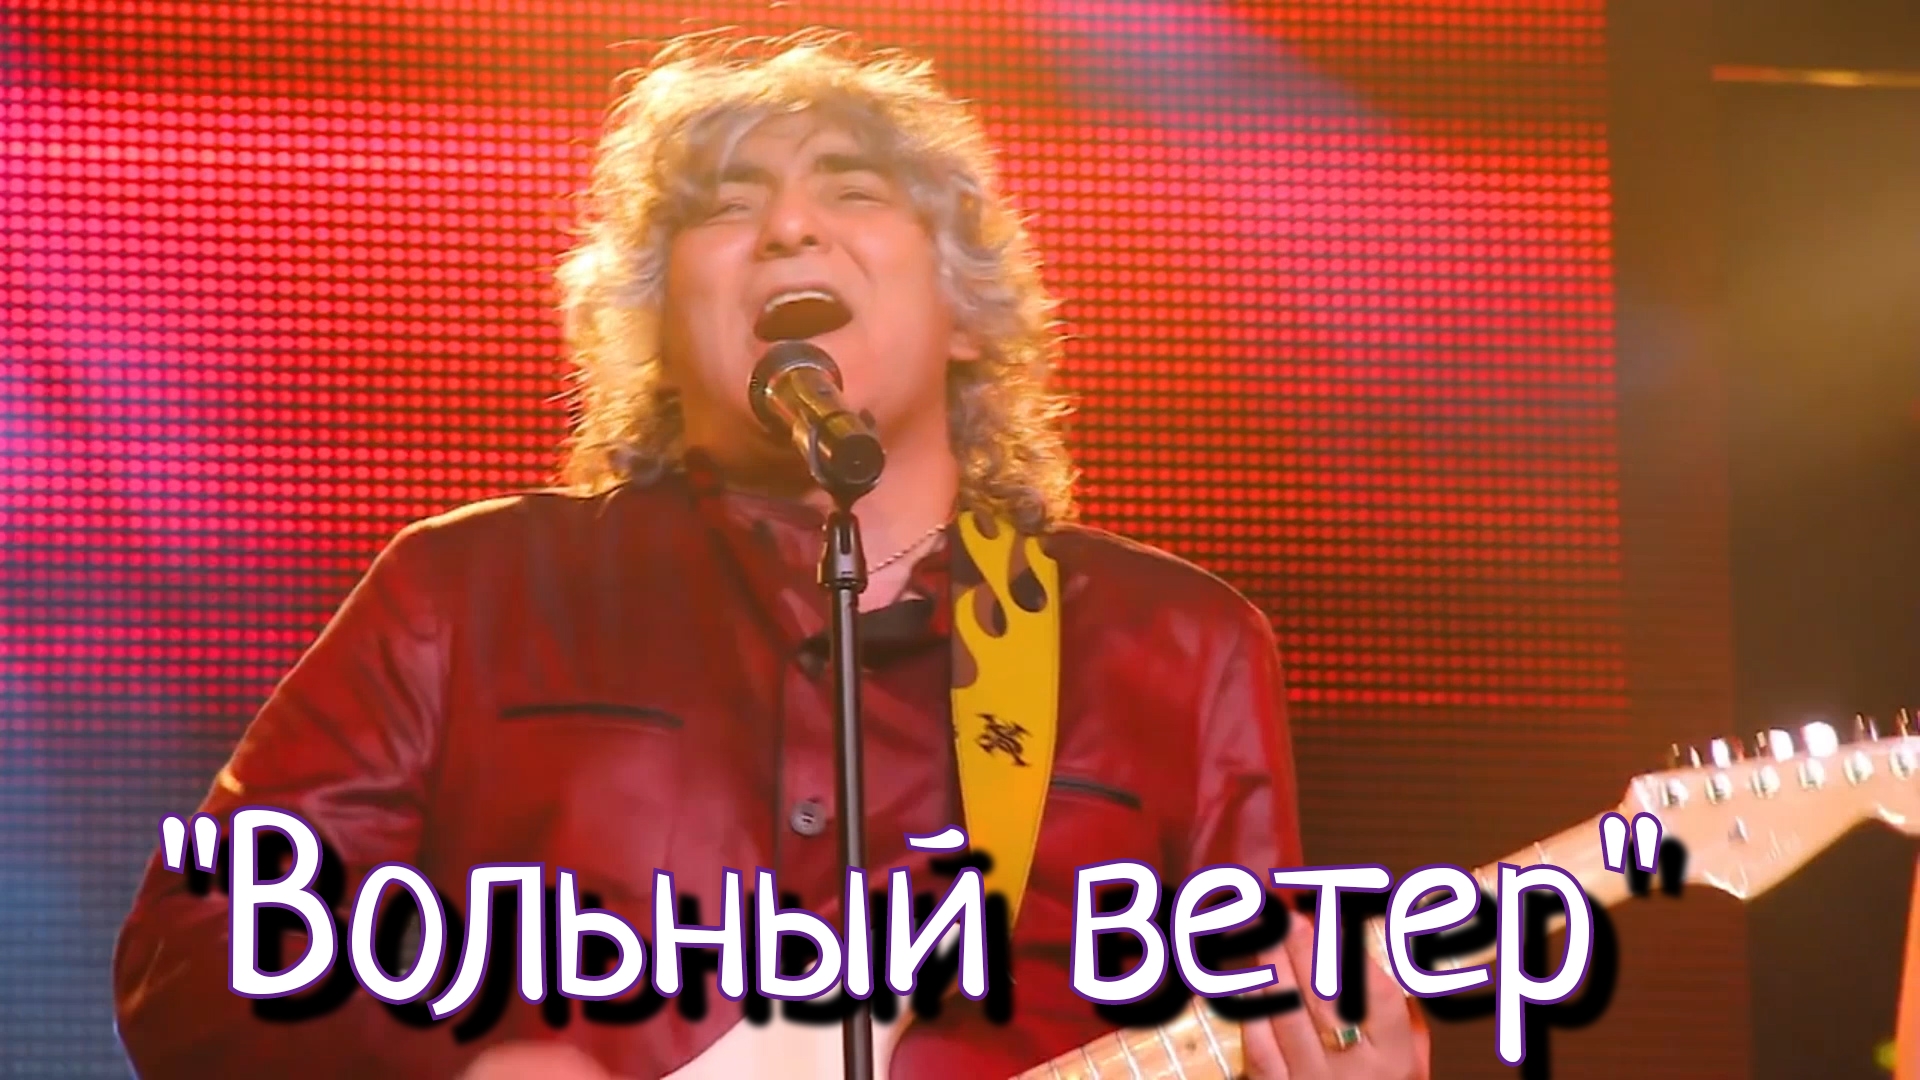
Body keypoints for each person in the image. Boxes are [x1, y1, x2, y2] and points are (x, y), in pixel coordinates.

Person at [113, 29, 1429, 1080]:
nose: (792, 229)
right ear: (653, 327)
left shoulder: (1177, 647)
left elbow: (1262, 1015)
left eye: (853, 193)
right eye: (727, 209)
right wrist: (464, 1065)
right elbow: (201, 947)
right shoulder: (465, 592)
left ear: (966, 312)